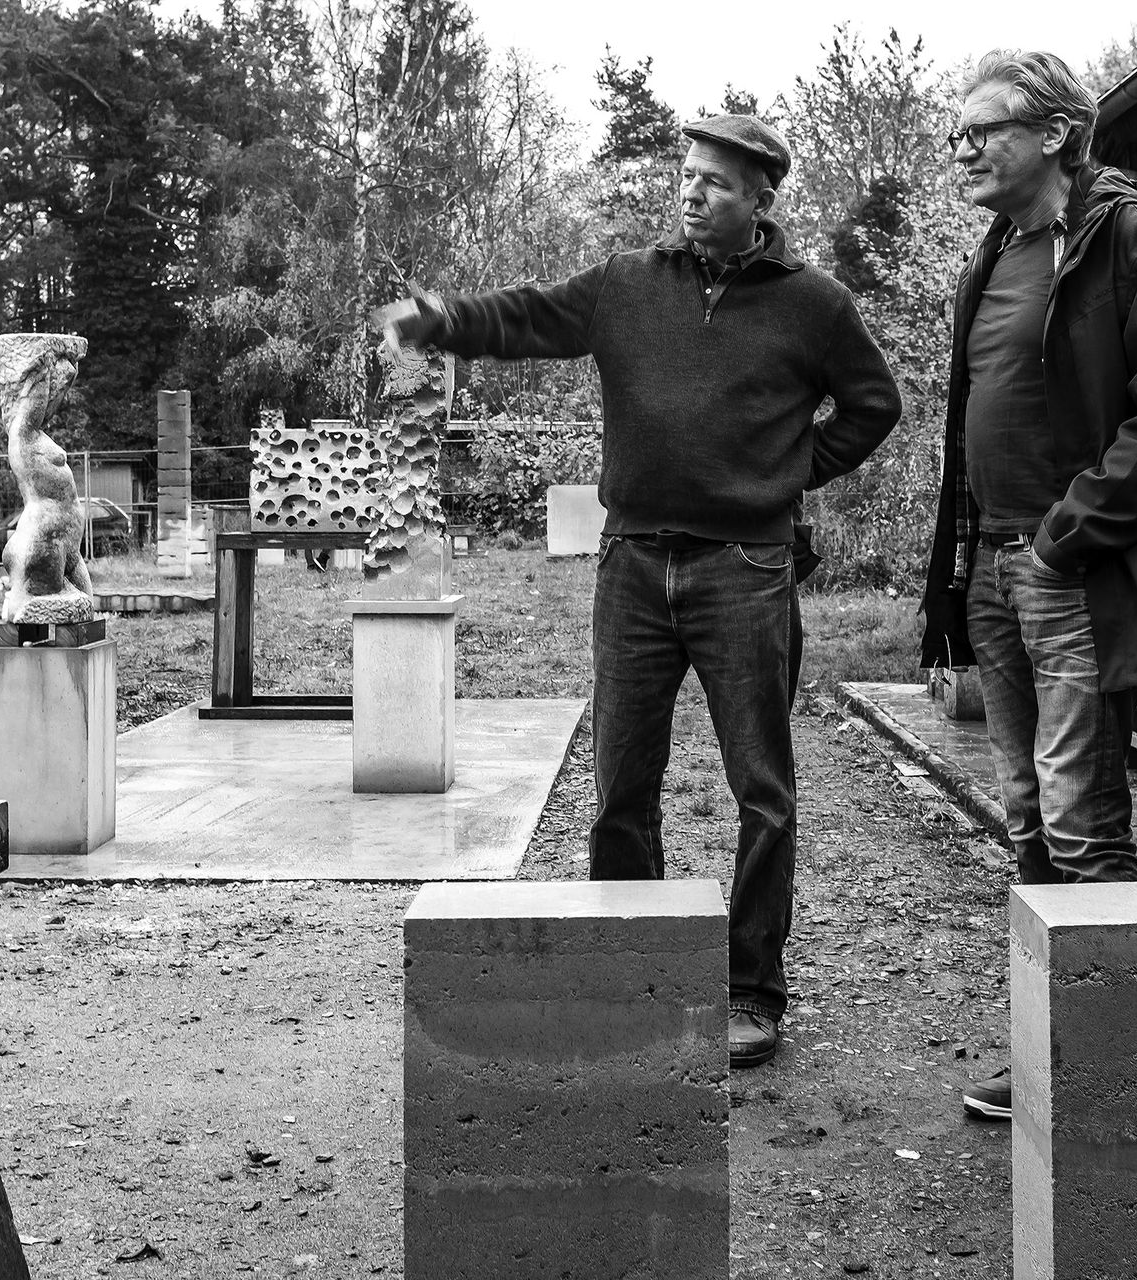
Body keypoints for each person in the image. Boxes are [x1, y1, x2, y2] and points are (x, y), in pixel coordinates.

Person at [380, 115, 902, 1068]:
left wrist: (787, 473)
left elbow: (876, 404)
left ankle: (750, 991)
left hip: (745, 569)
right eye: (687, 176)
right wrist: (444, 320)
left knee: (762, 790)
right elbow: (530, 316)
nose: (692, 193)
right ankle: (637, 971)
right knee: (621, 782)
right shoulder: (627, 282)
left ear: (761, 201)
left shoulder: (815, 305)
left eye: (716, 183)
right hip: (631, 567)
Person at [918, 51, 1137, 1119]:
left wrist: (1062, 540)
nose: (962, 148)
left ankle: (1117, 1065)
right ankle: (1057, 1048)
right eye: (956, 133)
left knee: (1083, 818)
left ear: (1053, 133)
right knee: (1028, 816)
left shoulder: (1132, 240)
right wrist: (964, 567)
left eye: (982, 129)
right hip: (993, 568)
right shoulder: (994, 254)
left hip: (1071, 572)